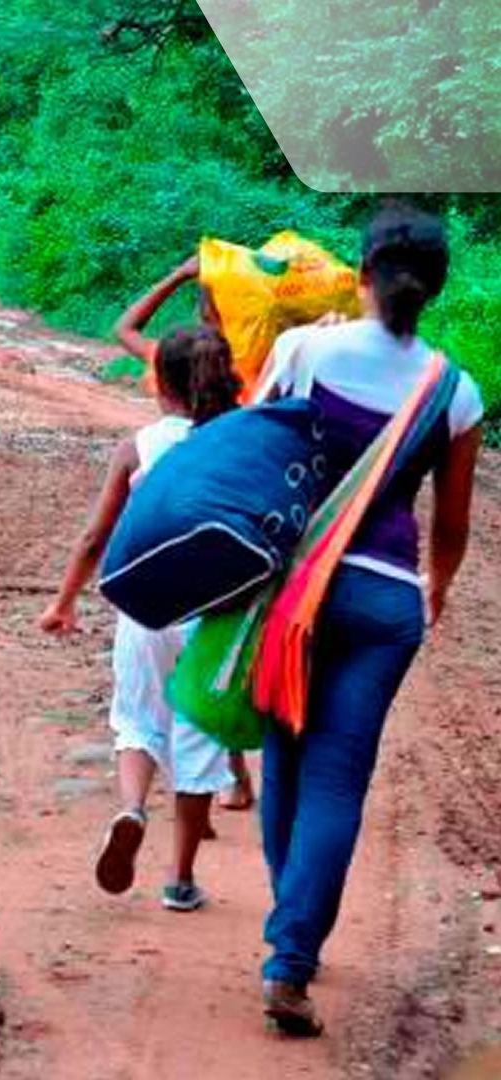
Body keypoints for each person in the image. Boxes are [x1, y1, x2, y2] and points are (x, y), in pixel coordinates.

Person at [258, 206, 482, 1036]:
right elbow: (450, 525)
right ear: (433, 291)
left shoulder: (306, 350)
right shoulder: (454, 392)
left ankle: (293, 937)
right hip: (387, 601)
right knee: (338, 778)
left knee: (285, 756)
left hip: (297, 594)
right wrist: (441, 584)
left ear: (360, 270)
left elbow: (252, 450)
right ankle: (290, 954)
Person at [41, 327, 242, 911]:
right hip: (216, 613)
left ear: (161, 382)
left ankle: (131, 808)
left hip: (147, 606)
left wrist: (64, 602)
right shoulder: (238, 442)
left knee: (136, 719)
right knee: (200, 732)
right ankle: (180, 879)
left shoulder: (140, 446)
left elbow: (95, 536)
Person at [116, 257, 256, 813]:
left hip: (161, 548)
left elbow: (125, 328)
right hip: (224, 554)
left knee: (154, 687)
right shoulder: (249, 379)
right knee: (213, 651)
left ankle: (196, 784)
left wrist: (175, 272)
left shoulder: (170, 362)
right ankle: (233, 780)